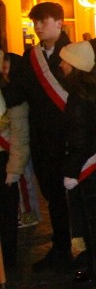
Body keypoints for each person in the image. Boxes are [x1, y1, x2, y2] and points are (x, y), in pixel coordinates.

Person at [3, 2, 74, 271]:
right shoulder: (31, 57)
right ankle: (61, 247)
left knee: (71, 199)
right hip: (42, 141)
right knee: (53, 197)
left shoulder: (74, 53)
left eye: (43, 21)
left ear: (59, 22)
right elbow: (20, 93)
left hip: (67, 139)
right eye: (35, 22)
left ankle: (79, 247)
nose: (38, 27)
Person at [58, 41, 96, 286]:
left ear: (76, 65)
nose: (61, 65)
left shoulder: (79, 95)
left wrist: (72, 171)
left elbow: (79, 136)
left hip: (86, 167)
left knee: (92, 220)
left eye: (65, 61)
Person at [0, 49, 29, 271]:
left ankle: (8, 260)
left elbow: (19, 135)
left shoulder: (15, 94)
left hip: (5, 160)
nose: (4, 70)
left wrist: (14, 168)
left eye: (6, 65)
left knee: (6, 215)